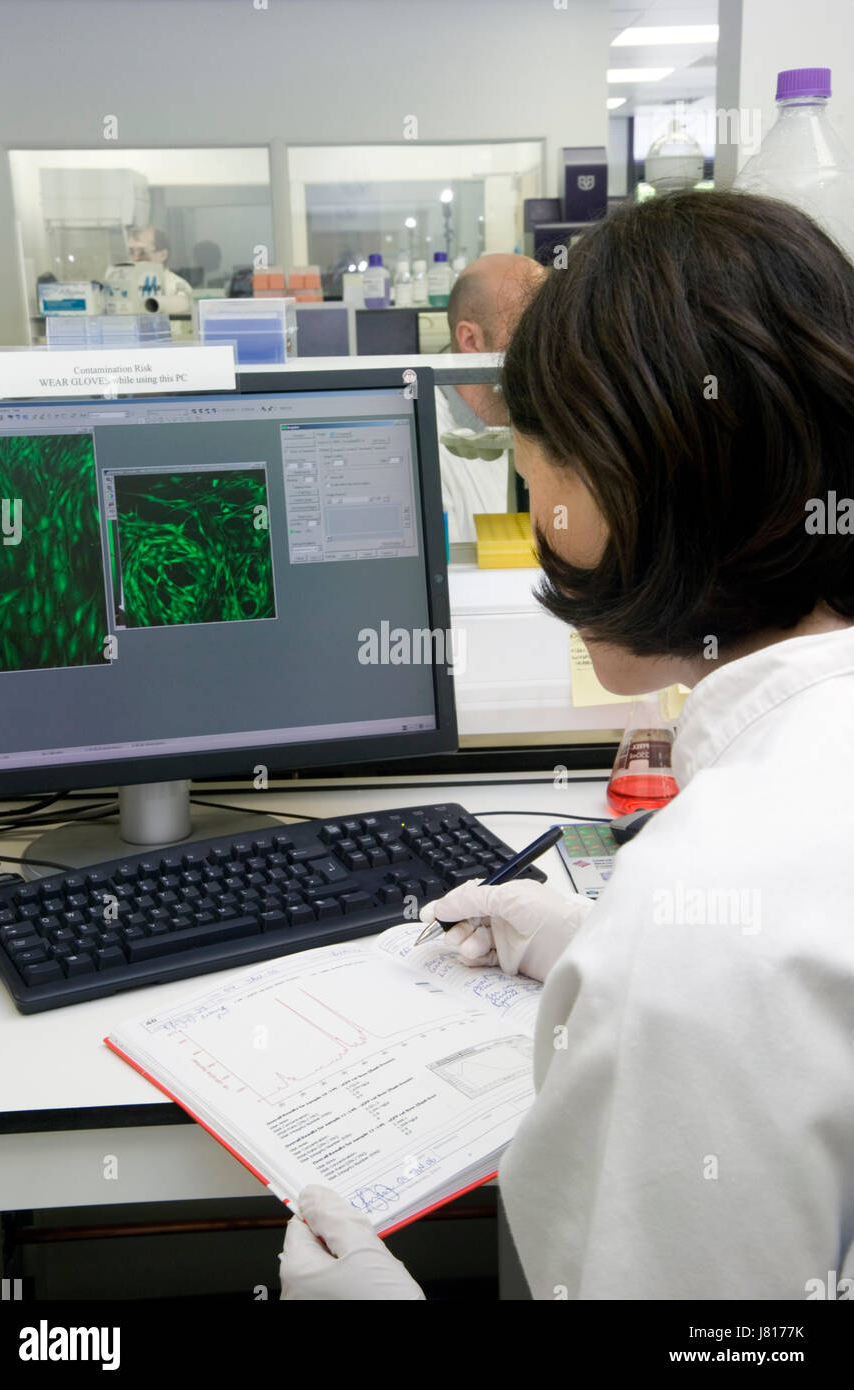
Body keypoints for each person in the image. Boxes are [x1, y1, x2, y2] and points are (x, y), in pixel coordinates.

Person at [278, 190, 854, 1300]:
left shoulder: (701, 935)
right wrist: (597, 945)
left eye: (534, 471)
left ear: (613, 484)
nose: (535, 508)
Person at [438, 253, 547, 542]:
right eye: (529, 330)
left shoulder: (554, 418)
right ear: (471, 341)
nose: (548, 346)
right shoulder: (428, 449)